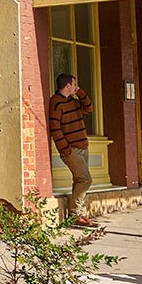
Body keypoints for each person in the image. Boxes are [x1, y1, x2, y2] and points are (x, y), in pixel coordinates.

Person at [48, 73, 97, 226]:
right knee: (85, 179)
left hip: (83, 146)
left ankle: (78, 215)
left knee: (79, 180)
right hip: (71, 150)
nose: (76, 87)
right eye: (74, 85)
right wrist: (65, 149)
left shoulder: (73, 102)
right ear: (68, 85)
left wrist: (80, 92)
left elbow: (89, 108)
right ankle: (76, 214)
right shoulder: (55, 103)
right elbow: (55, 128)